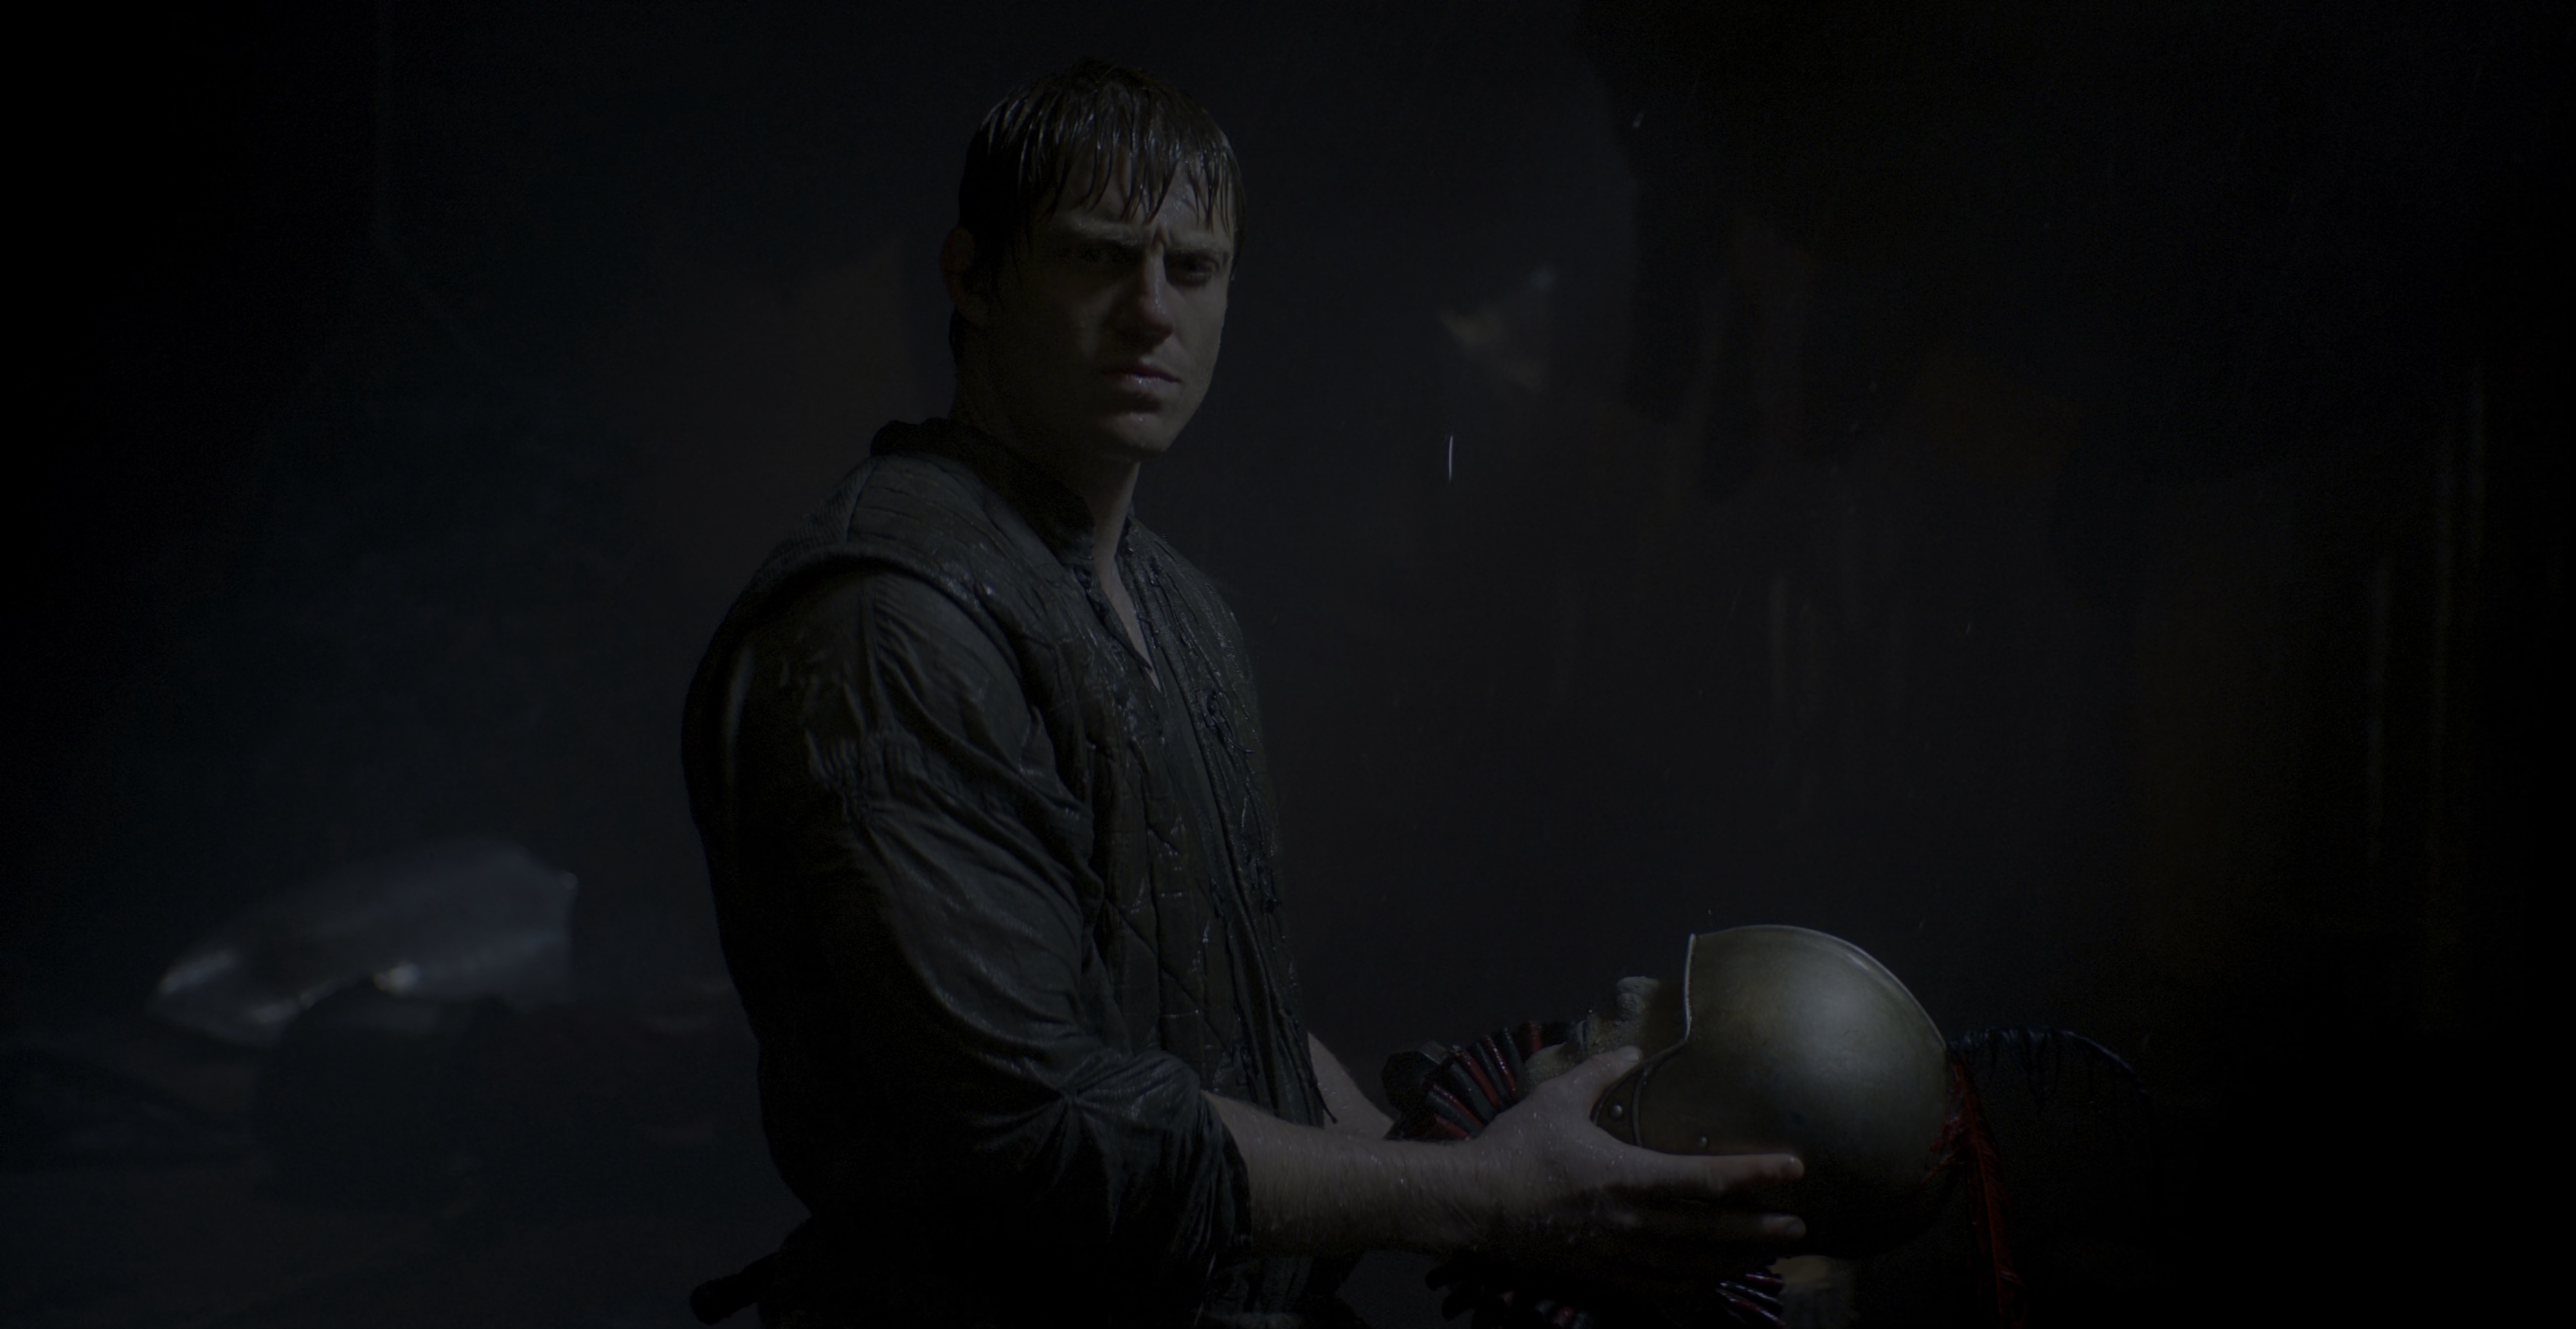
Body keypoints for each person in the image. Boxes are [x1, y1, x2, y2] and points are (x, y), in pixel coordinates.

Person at [682, 59, 1807, 1328]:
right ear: (974, 276)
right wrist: (1486, 1198)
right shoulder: (892, 628)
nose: (1149, 312)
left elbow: (1236, 1044)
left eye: (1193, 268)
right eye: (1097, 258)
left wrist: (1506, 1178)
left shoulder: (1181, 609)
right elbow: (1032, 1134)